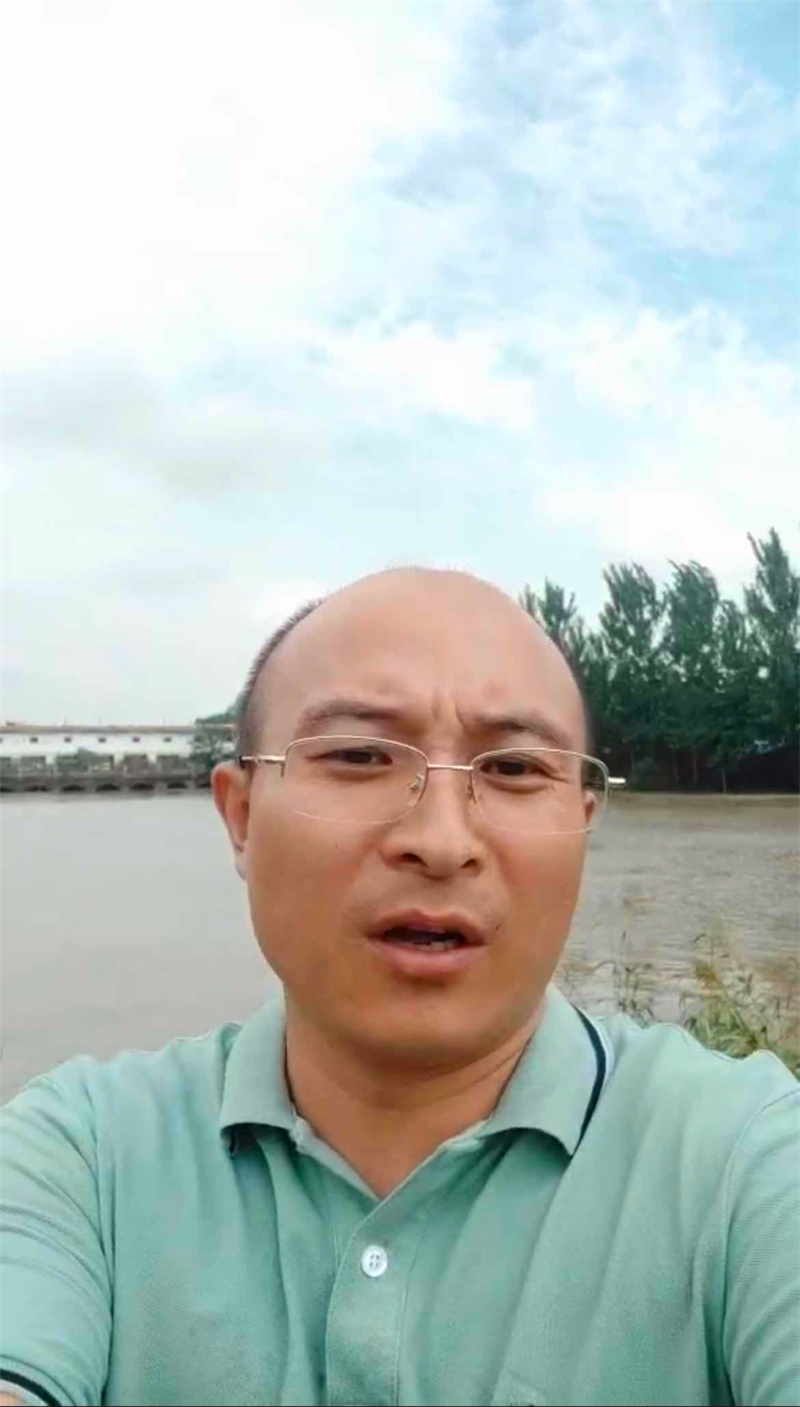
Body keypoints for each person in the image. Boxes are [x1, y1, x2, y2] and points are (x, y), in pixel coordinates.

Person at [0, 566, 797, 1407]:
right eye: (360, 755)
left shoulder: (742, 1160)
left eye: (515, 766)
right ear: (240, 816)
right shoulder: (81, 1157)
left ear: (585, 820)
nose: (442, 840)